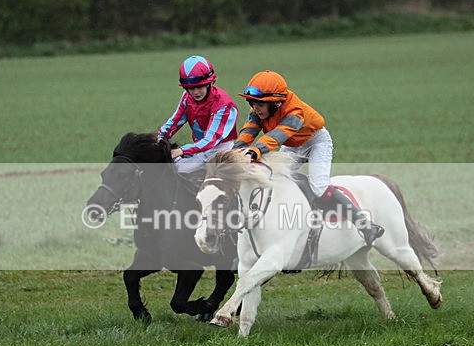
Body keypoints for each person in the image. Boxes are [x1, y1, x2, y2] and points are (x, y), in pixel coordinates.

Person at [233, 70, 384, 246]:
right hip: (293, 144)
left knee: (319, 187)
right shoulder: (259, 112)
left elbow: (276, 137)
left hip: (316, 142)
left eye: (259, 104)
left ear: (276, 103)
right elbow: (248, 131)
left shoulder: (295, 113)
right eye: (251, 103)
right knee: (274, 180)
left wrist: (253, 152)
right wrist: (236, 151)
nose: (255, 108)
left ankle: (365, 225)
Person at [156, 55, 238, 174]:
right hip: (199, 149)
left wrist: (181, 150)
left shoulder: (224, 105)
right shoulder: (187, 97)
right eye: (190, 88)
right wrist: (160, 138)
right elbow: (174, 121)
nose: (195, 92)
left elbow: (210, 140)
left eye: (199, 87)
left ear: (210, 83)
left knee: (179, 170)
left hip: (219, 150)